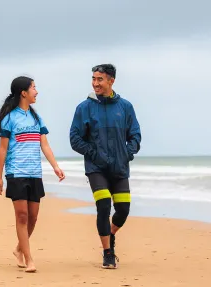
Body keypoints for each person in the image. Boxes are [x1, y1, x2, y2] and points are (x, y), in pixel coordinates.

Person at [69, 64, 141, 269]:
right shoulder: (84, 107)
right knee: (103, 207)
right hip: (96, 168)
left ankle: (110, 235)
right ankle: (108, 252)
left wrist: (127, 153)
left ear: (111, 81)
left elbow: (135, 135)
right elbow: (75, 138)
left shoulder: (125, 107)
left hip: (119, 168)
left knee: (123, 210)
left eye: (100, 79)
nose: (95, 83)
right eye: (93, 79)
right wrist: (93, 153)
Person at [0, 76, 65, 273]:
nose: (37, 91)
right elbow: (2, 150)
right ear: (23, 92)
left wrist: (55, 167)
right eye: (33, 87)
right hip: (16, 172)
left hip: (35, 173)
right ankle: (29, 258)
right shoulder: (9, 119)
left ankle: (19, 249)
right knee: (22, 216)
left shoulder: (36, 118)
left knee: (33, 217)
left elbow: (45, 144)